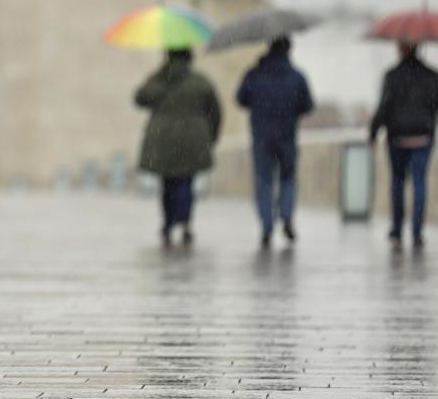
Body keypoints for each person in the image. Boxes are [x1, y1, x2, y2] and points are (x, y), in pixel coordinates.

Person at [134, 48, 222, 245]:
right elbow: (215, 112)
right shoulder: (201, 82)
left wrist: (153, 78)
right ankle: (185, 221)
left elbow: (139, 99)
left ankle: (168, 222)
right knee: (186, 182)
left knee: (168, 183)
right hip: (193, 139)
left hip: (163, 139)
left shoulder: (158, 81)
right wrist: (211, 137)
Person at [369, 41, 438, 249]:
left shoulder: (392, 75)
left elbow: (383, 106)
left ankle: (397, 228)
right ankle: (417, 231)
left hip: (397, 137)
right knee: (420, 182)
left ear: (401, 49)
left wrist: (373, 133)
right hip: (423, 137)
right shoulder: (433, 75)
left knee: (397, 182)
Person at [236, 36, 314, 248]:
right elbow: (308, 105)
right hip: (287, 136)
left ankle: (267, 225)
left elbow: (241, 99)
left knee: (264, 180)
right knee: (288, 178)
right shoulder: (297, 77)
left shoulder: (254, 75)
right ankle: (286, 215)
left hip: (261, 136)